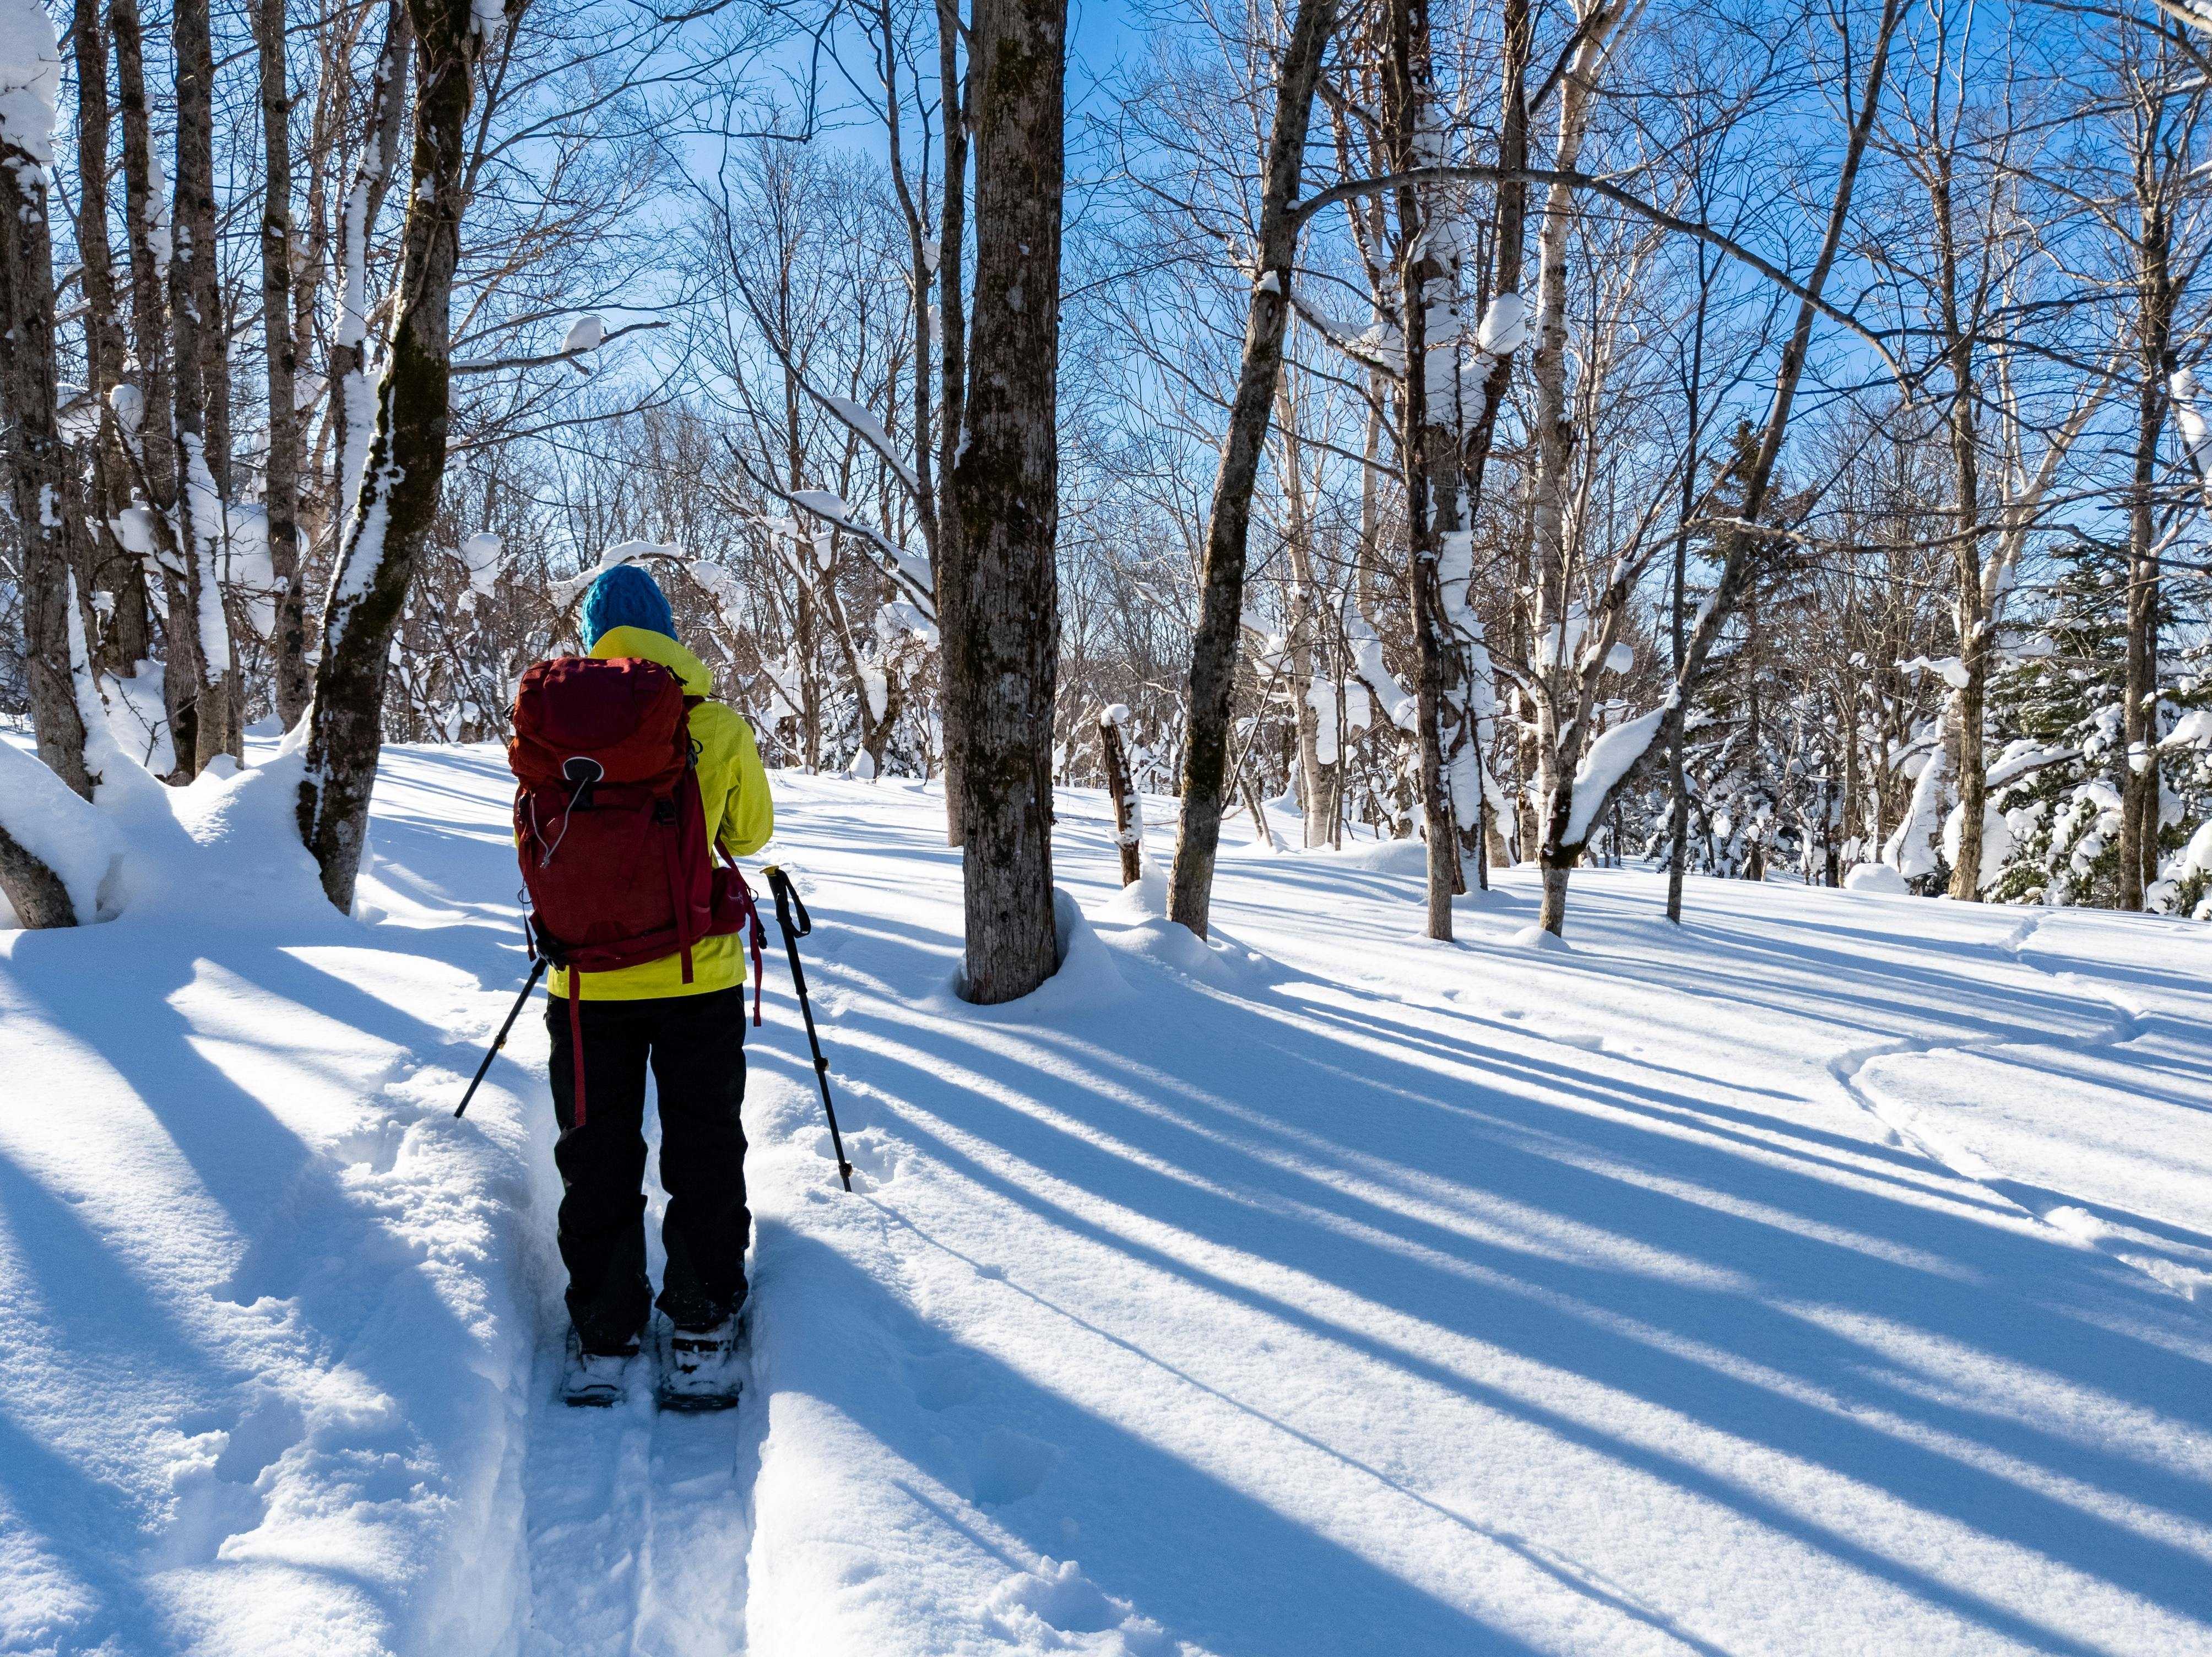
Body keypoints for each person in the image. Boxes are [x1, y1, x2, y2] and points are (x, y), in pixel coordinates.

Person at [547, 564, 772, 1400]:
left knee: (597, 1151)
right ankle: (704, 1317)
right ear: (668, 633)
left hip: (586, 986)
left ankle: (606, 1331)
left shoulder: (549, 728)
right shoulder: (713, 725)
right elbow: (748, 835)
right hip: (693, 976)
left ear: (593, 637)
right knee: (704, 1142)